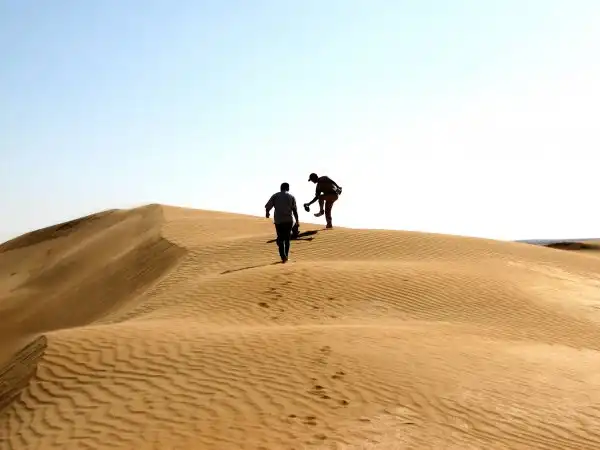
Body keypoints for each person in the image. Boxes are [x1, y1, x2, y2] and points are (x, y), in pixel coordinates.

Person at [265, 182, 299, 263]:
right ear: (287, 188)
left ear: (281, 188)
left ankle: (283, 256)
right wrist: (297, 220)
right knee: (287, 239)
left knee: (280, 238)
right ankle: (285, 256)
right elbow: (294, 210)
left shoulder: (275, 195)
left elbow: (268, 206)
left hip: (279, 220)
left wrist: (267, 213)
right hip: (288, 220)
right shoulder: (291, 197)